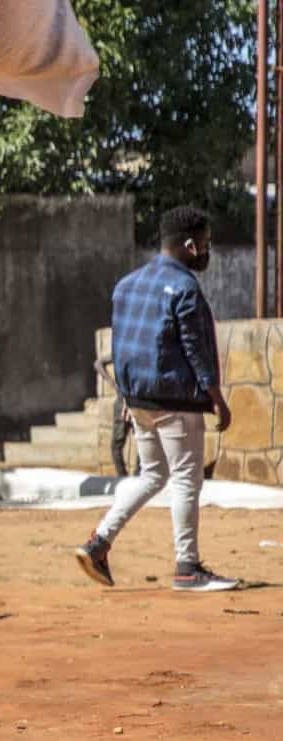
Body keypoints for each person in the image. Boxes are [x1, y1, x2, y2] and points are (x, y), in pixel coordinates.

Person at [74, 207, 239, 592]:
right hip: (176, 400)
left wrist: (127, 398)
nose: (207, 251)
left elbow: (122, 345)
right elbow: (196, 348)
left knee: (153, 475)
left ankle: (98, 543)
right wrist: (216, 396)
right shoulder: (185, 289)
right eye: (205, 243)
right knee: (185, 479)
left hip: (138, 399)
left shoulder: (126, 285)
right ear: (189, 244)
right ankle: (188, 567)